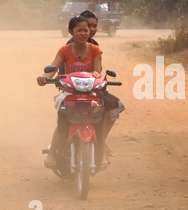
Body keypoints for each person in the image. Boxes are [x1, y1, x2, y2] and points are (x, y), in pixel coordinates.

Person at [37, 15, 124, 170]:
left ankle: (101, 152)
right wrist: (44, 77)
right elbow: (53, 68)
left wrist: (97, 76)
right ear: (71, 31)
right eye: (79, 30)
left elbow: (97, 71)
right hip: (68, 92)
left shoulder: (95, 50)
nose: (84, 33)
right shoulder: (64, 50)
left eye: (86, 30)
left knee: (99, 117)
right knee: (63, 118)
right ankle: (52, 153)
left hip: (89, 92)